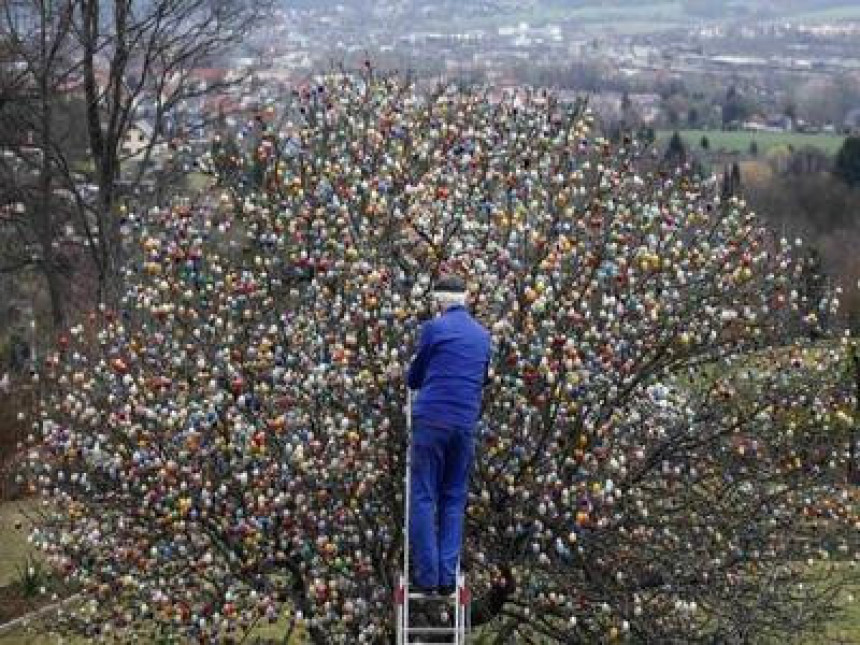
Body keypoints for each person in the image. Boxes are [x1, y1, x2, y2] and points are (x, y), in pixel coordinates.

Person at [407, 274, 491, 596]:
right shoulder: (483, 336)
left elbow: (414, 379)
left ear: (440, 302)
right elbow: (482, 379)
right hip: (464, 426)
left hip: (432, 421)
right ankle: (446, 577)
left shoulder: (434, 330)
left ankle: (427, 577)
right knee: (454, 499)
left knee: (424, 496)